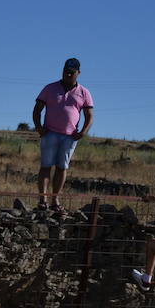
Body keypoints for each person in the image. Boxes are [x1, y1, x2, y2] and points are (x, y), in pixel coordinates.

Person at [32, 57, 94, 211]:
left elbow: (90, 116)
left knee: (62, 167)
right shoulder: (50, 88)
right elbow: (37, 109)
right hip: (50, 133)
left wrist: (83, 133)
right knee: (46, 166)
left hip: (69, 136)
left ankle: (55, 200)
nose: (67, 75)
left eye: (71, 73)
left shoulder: (84, 92)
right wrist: (39, 127)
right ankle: (43, 200)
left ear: (78, 73)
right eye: (66, 71)